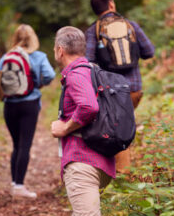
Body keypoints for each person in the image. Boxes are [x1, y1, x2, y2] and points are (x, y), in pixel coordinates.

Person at [85, 0, 155, 173]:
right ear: (111, 4)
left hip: (110, 93)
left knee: (114, 131)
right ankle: (122, 176)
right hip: (133, 90)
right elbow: (149, 52)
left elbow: (88, 63)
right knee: (122, 127)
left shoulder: (93, 31)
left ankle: (120, 177)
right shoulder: (131, 26)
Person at [51, 26, 115, 215]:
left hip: (82, 161)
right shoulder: (92, 71)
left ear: (60, 50)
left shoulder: (76, 75)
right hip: (101, 160)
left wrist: (65, 128)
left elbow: (89, 106)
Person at [0, 24, 55, 199]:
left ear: (15, 37)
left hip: (9, 105)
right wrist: (38, 83)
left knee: (16, 145)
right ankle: (19, 186)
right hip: (29, 104)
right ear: (33, 38)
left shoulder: (7, 56)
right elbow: (50, 75)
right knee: (25, 145)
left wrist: (5, 89)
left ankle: (13, 184)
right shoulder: (39, 57)